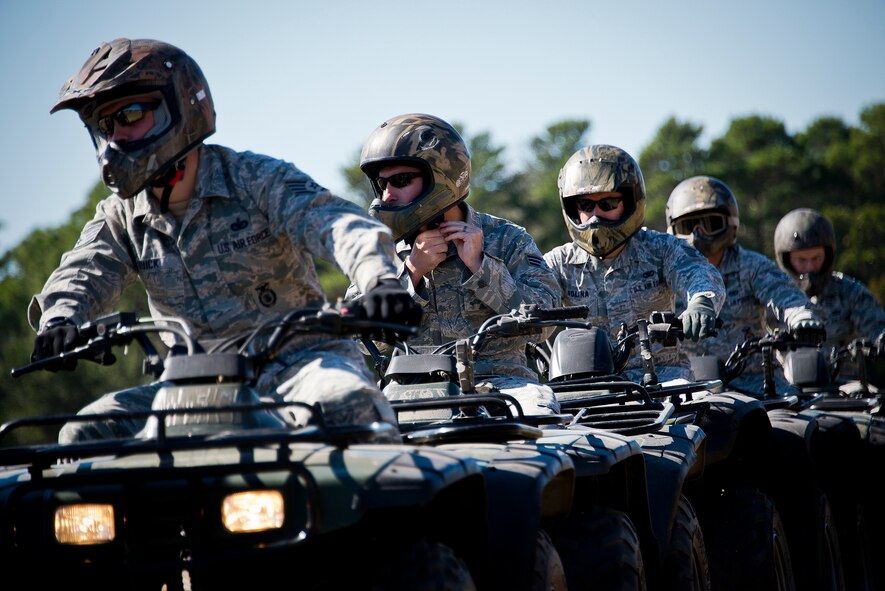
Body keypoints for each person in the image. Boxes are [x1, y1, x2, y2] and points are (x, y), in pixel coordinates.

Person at [29, 38, 421, 443]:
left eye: (130, 114)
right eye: (105, 125)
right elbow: (84, 269)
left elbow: (335, 223)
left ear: (180, 106)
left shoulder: (255, 179)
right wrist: (61, 319)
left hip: (300, 367)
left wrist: (380, 281)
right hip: (189, 385)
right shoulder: (120, 215)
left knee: (352, 407)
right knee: (84, 432)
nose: (117, 137)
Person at [345, 113, 562, 416]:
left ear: (442, 177)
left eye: (401, 180)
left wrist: (481, 267)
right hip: (409, 393)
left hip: (503, 390)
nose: (387, 194)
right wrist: (411, 272)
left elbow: (545, 323)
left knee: (541, 420)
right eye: (382, 183)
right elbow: (359, 335)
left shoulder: (506, 239)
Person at [544, 145, 726, 384]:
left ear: (630, 202)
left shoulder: (661, 248)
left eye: (608, 203)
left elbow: (698, 273)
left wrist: (701, 301)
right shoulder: (558, 262)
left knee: (707, 418)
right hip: (585, 388)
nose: (596, 214)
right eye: (586, 205)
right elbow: (533, 293)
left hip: (664, 384)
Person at [666, 176, 825, 394]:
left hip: (755, 385)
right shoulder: (667, 271)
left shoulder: (750, 265)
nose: (698, 235)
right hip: (689, 391)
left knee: (786, 425)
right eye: (688, 226)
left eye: (710, 224)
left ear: (729, 222)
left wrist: (801, 317)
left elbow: (784, 294)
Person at [774, 208, 885, 383]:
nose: (810, 267)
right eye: (801, 260)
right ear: (786, 260)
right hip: (787, 393)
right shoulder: (773, 296)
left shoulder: (850, 291)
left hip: (844, 390)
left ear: (828, 255)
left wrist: (880, 340)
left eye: (816, 258)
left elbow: (878, 327)